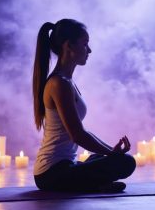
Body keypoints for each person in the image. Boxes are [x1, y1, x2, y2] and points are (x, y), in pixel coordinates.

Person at [32, 19, 136, 193]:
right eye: (85, 44)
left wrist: (111, 150)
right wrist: (113, 155)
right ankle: (95, 185)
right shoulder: (59, 84)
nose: (89, 50)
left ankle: (93, 184)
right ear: (69, 46)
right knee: (126, 163)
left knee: (100, 157)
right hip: (51, 174)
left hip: (65, 167)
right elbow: (78, 135)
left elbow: (82, 131)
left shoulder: (67, 82)